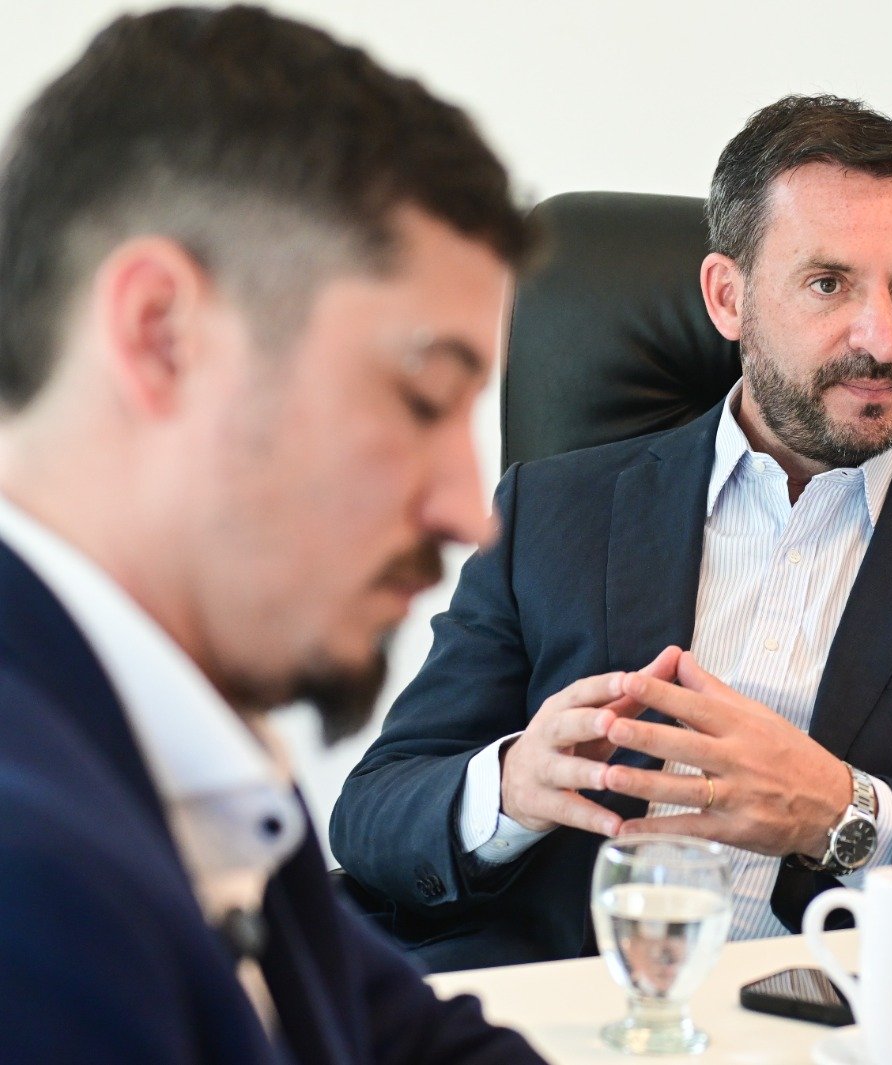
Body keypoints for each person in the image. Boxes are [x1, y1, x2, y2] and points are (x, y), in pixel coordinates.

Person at [332, 94, 892, 971]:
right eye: (828, 284)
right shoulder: (551, 512)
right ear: (727, 297)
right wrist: (513, 784)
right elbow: (374, 813)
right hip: (563, 1003)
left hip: (838, 1012)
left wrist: (843, 812)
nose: (885, 337)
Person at [0, 7, 546, 1062]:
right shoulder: (33, 886)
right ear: (163, 335)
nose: (468, 511)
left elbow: (401, 1036)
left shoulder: (185, 753)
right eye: (422, 397)